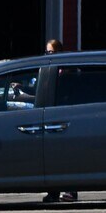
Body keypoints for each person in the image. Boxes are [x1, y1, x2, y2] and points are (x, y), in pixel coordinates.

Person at [37, 46, 77, 203]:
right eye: (47, 52)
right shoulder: (49, 70)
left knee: (66, 158)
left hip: (63, 119)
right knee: (52, 158)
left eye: (51, 51)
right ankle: (53, 192)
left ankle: (71, 191)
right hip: (51, 118)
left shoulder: (67, 72)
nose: (48, 54)